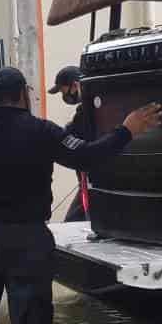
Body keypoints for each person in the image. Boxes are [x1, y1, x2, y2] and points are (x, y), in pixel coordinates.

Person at [0, 67, 162, 324]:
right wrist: (127, 130)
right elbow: (86, 156)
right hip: (28, 241)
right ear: (22, 95)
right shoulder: (42, 131)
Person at [48, 65, 92, 223]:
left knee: (72, 224)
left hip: (91, 180)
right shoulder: (84, 110)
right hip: (85, 181)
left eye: (63, 90)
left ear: (75, 85)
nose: (64, 95)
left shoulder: (90, 109)